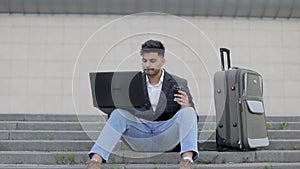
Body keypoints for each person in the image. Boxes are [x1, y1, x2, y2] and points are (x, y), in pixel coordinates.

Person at [86, 39, 199, 169]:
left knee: (189, 112)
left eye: (152, 61)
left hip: (166, 135)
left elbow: (193, 119)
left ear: (162, 61)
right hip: (140, 134)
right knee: (118, 114)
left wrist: (186, 106)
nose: (147, 65)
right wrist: (113, 104)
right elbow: (116, 116)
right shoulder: (131, 83)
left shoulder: (179, 83)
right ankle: (95, 161)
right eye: (144, 61)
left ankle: (187, 160)